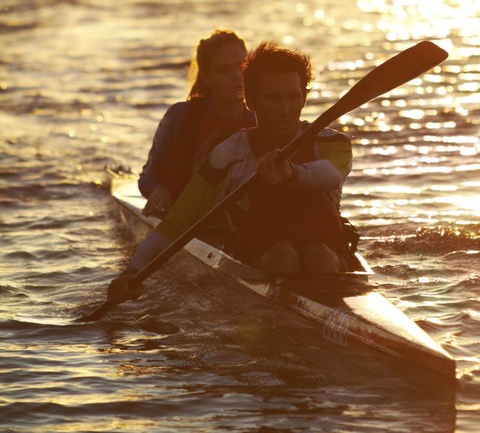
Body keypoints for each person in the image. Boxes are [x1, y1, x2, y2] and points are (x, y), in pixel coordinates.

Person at [108, 42, 353, 304]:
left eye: (293, 97)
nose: (285, 109)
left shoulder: (331, 143)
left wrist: (290, 173)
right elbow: (178, 223)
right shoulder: (229, 153)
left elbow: (328, 175)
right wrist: (133, 272)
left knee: (319, 256)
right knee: (285, 256)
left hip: (324, 253)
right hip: (262, 252)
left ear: (304, 98)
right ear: (250, 100)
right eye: (273, 98)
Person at [138, 29, 256, 216]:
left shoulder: (261, 120)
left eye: (241, 67)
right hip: (181, 217)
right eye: (224, 70)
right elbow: (147, 178)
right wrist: (158, 191)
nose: (236, 76)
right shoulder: (180, 116)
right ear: (207, 78)